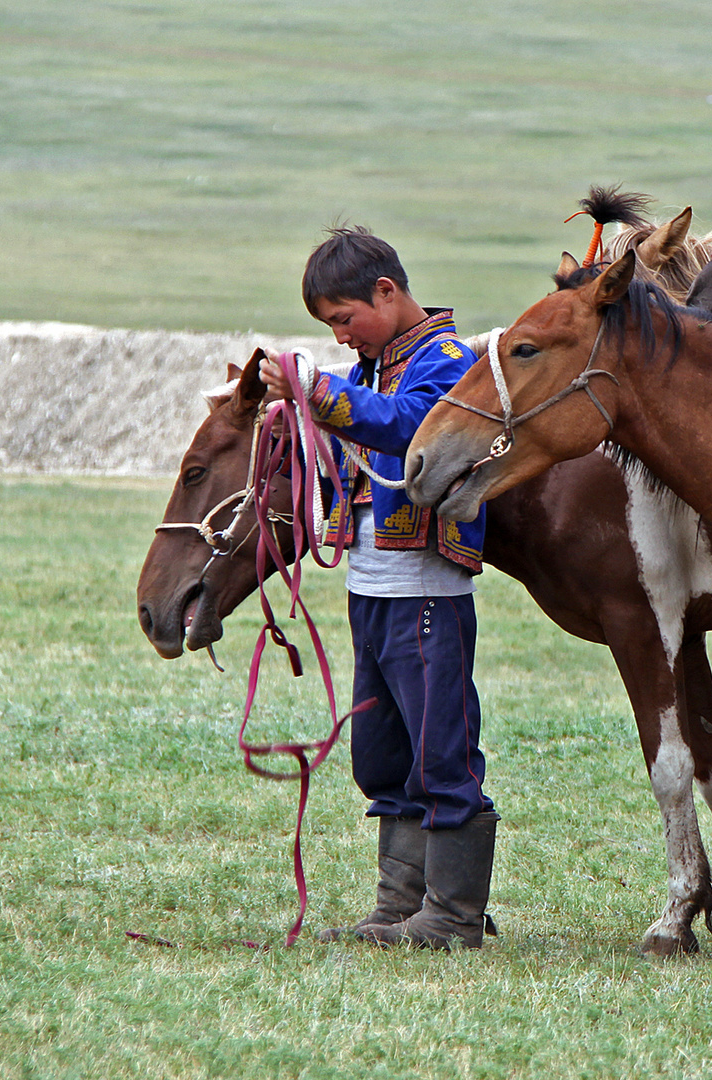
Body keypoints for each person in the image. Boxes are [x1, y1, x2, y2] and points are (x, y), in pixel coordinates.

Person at [259, 224, 496, 949]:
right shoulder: (369, 371)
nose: (340, 336)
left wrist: (318, 391)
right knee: (384, 756)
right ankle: (400, 907)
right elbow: (356, 440)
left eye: (343, 319)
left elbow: (413, 425)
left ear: (386, 293)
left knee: (440, 752)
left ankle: (454, 916)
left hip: (426, 593)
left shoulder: (450, 362)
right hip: (372, 589)